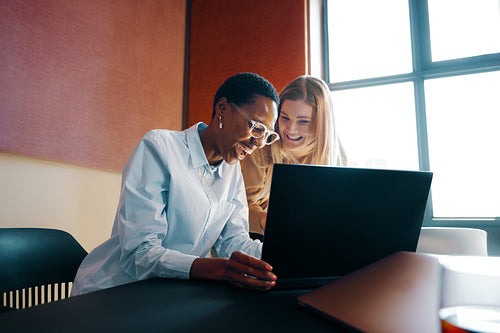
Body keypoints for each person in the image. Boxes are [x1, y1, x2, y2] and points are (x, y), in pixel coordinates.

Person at [71, 73, 280, 295]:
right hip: (113, 292)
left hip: (168, 293)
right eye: (256, 127)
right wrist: (218, 268)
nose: (258, 143)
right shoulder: (159, 147)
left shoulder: (232, 170)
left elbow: (233, 241)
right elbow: (139, 254)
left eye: (267, 136)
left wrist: (285, 254)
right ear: (222, 109)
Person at [241, 75, 347, 234]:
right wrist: (275, 221)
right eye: (284, 118)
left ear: (321, 124)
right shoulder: (261, 147)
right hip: (258, 237)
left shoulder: (337, 155)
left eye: (303, 121)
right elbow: (239, 211)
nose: (290, 129)